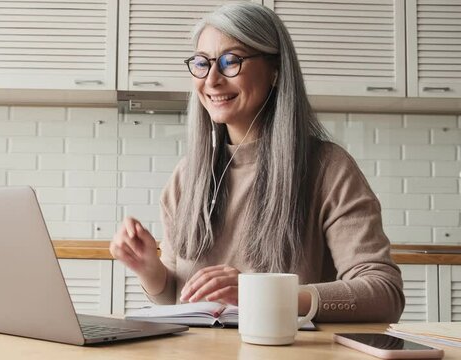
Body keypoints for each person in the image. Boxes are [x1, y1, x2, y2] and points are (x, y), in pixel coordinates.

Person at [109, 2, 404, 322]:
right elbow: (180, 302)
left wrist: (260, 292)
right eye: (202, 63)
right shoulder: (186, 177)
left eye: (230, 61)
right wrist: (150, 270)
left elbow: (385, 294)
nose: (212, 79)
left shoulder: (328, 168)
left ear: (275, 70)